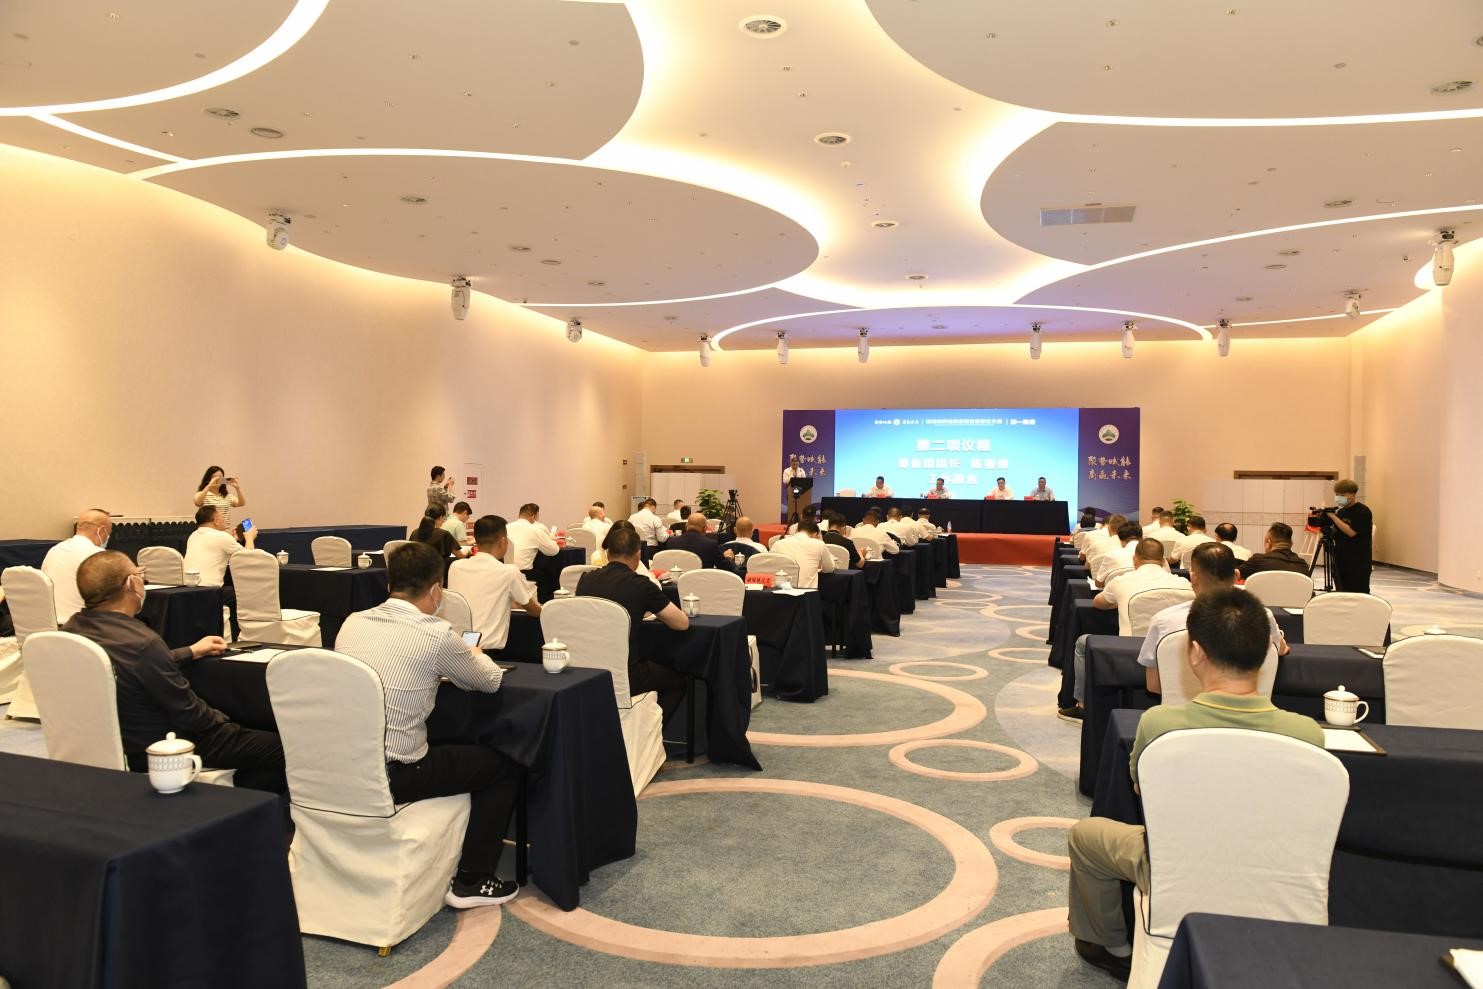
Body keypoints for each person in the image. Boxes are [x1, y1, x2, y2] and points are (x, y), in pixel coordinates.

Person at [1066, 588, 1322, 980]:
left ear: (1196, 653)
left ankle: (1111, 946)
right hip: (1276, 875)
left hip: (1179, 868)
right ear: (1266, 653)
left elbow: (1143, 793)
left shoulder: (1159, 725)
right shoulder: (1307, 735)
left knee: (1087, 836)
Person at [337, 541, 524, 908]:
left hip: (343, 761)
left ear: (389, 583)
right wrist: (474, 651)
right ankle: (472, 878)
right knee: (504, 764)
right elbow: (489, 680)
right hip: (395, 773)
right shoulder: (435, 634)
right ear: (437, 590)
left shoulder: (351, 621)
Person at [64, 551, 286, 793]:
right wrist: (233, 719)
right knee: (284, 747)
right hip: (160, 746)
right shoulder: (143, 643)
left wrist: (190, 651)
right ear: (131, 583)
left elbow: (123, 664)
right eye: (139, 574)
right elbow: (192, 716)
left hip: (111, 740)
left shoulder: (71, 630)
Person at [1059, 539, 1191, 723]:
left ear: (1135, 560)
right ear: (1163, 561)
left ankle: (1083, 706)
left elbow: (1098, 603)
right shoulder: (1184, 584)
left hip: (1132, 656)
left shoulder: (1122, 581)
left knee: (1083, 642)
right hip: (1174, 655)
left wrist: (1119, 601)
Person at [1140, 542, 1289, 695]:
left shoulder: (1163, 621)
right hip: (1247, 708)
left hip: (1180, 710)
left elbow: (1154, 685)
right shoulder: (1261, 616)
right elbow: (1281, 649)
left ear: (1193, 578)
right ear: (1236, 576)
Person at [575, 526, 689, 717]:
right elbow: (681, 623)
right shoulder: (642, 585)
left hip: (585, 672)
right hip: (626, 674)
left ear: (608, 554)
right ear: (638, 555)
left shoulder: (585, 580)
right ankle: (650, 730)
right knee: (676, 683)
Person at [447, 515, 540, 651]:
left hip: (455, 648)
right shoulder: (508, 571)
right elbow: (533, 610)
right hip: (488, 652)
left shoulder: (455, 567)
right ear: (503, 541)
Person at [41, 508, 112, 622]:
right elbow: (112, 598)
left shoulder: (54, 550)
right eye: (109, 533)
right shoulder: (98, 556)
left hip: (50, 624)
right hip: (82, 625)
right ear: (102, 531)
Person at [185, 504, 256, 586]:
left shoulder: (193, 535)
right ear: (216, 521)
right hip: (209, 590)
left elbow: (215, 547)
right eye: (223, 517)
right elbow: (249, 558)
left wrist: (233, 539)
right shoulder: (222, 536)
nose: (224, 520)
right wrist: (250, 537)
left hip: (188, 587)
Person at [1325, 479, 1373, 594]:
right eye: (1337, 494)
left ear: (1352, 495)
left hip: (1358, 561)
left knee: (1358, 593)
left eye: (1342, 495)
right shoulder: (1341, 512)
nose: (1338, 497)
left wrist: (1334, 517)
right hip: (1341, 559)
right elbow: (1337, 532)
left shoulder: (1363, 511)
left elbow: (1351, 532)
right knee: (1342, 592)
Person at [771, 520, 837, 588]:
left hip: (780, 590)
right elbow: (829, 569)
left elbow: (770, 565)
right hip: (807, 592)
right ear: (815, 534)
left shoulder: (778, 543)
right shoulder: (819, 544)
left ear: (797, 530)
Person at [1236, 522, 1310, 578]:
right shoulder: (1303, 565)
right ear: (1291, 543)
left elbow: (1234, 575)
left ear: (1269, 542)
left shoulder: (1258, 560)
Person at [665, 514, 737, 570]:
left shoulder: (671, 542)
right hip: (703, 582)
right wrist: (728, 557)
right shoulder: (710, 544)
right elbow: (726, 567)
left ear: (686, 526)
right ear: (705, 528)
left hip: (678, 583)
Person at [505, 503, 559, 570]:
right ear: (533, 517)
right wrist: (553, 540)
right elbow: (553, 550)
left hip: (505, 571)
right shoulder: (535, 530)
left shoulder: (506, 527)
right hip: (523, 573)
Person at [1090, 522, 1142, 587]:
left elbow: (1098, 583)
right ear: (1141, 538)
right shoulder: (1152, 556)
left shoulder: (1111, 555)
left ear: (1120, 540)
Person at [783, 455, 808, 522]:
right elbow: (785, 481)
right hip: (790, 491)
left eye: (796, 464)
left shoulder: (801, 470)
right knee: (791, 507)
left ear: (798, 463)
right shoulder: (786, 471)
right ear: (791, 463)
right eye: (794, 464)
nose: (795, 465)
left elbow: (805, 480)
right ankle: (790, 522)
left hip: (800, 491)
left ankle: (801, 522)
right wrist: (792, 477)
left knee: (800, 507)